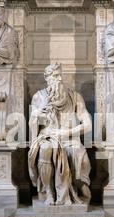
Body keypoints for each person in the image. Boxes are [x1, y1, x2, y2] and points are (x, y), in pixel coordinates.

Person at [28, 63, 92, 206]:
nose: (59, 79)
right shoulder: (38, 97)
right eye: (55, 75)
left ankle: (77, 186)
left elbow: (87, 125)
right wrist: (36, 115)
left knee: (80, 155)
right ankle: (49, 193)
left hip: (68, 138)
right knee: (46, 149)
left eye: (60, 75)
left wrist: (66, 133)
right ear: (46, 77)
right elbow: (33, 125)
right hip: (47, 137)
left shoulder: (75, 97)